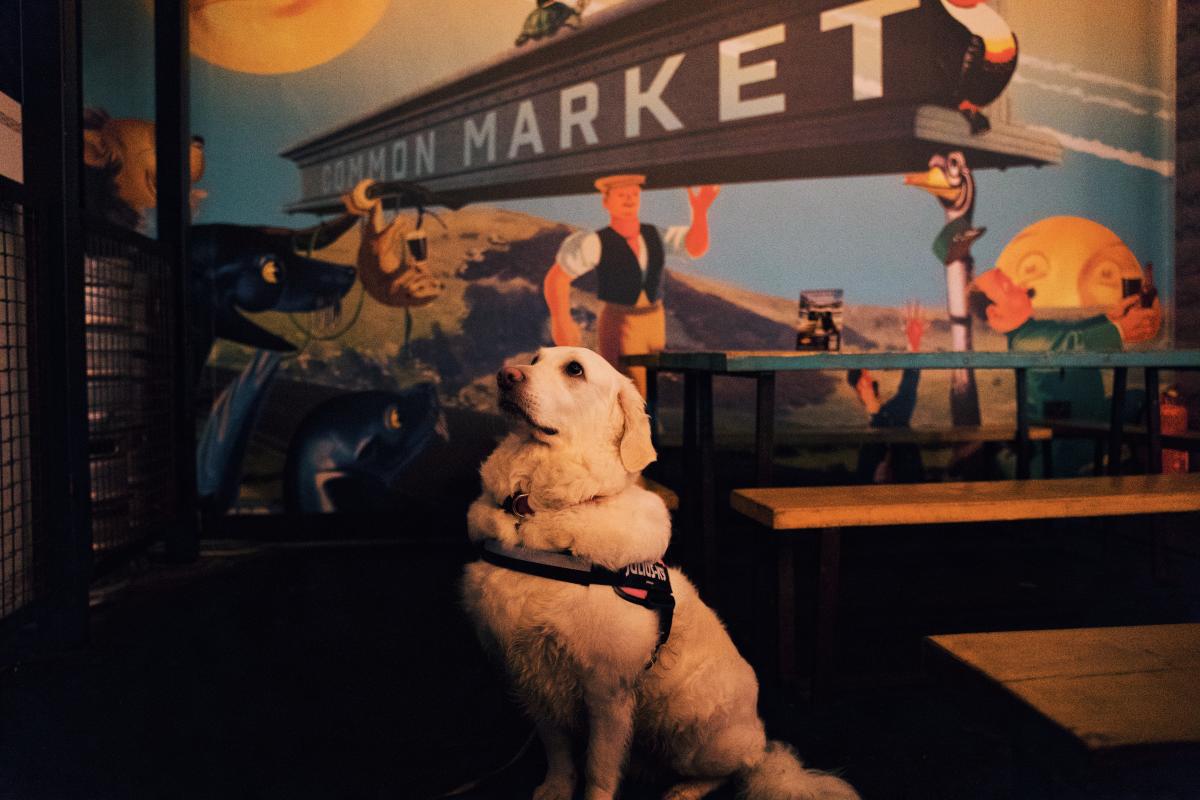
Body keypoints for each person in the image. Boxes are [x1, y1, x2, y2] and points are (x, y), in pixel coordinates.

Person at [971, 267, 1162, 474]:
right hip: (1067, 440)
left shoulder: (1031, 332)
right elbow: (1073, 342)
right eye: (1009, 287)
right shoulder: (1027, 341)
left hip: (1076, 427)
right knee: (1141, 402)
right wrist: (1121, 329)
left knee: (1136, 400)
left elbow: (1069, 332)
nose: (1023, 287)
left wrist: (1110, 318)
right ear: (994, 312)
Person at [543, 174, 720, 397]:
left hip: (654, 321)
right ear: (606, 201)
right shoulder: (596, 242)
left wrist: (700, 212)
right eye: (621, 195)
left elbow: (695, 247)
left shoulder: (654, 235)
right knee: (628, 392)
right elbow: (556, 278)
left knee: (649, 388)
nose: (629, 200)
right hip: (620, 324)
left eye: (634, 194)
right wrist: (562, 320)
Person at [848, 301, 928, 483]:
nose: (869, 381)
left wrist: (914, 344)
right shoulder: (886, 417)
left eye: (867, 379)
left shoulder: (893, 413)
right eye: (864, 380)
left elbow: (910, 384)